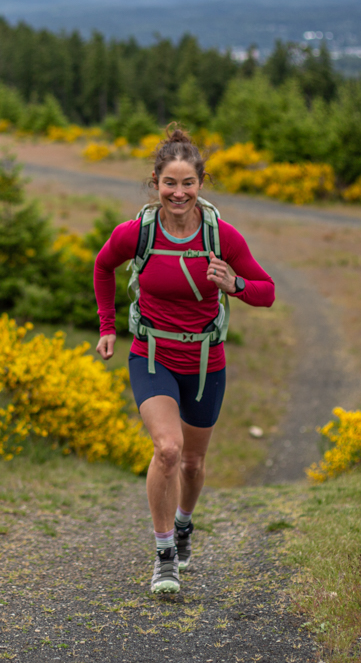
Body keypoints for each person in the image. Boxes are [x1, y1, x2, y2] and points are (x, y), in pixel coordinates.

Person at [93, 124, 275, 594]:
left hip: (205, 361)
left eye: (187, 183)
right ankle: (164, 554)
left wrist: (234, 284)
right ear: (155, 182)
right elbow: (102, 265)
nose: (178, 192)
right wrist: (108, 327)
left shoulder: (222, 238)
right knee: (168, 450)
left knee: (192, 463)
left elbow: (267, 292)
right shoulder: (137, 233)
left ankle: (185, 522)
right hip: (151, 353)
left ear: (200, 183)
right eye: (169, 183)